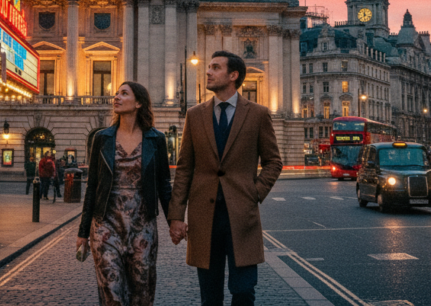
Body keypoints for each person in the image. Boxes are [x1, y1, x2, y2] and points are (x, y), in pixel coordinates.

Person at [169, 51, 283, 306]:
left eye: (215, 67)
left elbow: (273, 161)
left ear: (233, 75)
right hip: (204, 216)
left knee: (243, 289)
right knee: (210, 295)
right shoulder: (195, 115)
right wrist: (176, 216)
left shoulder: (257, 114)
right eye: (208, 67)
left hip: (242, 215)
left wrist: (255, 193)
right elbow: (185, 168)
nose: (208, 72)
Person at [77, 81, 171, 306]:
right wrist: (83, 231)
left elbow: (164, 185)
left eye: (124, 94)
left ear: (139, 103)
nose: (116, 97)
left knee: (141, 292)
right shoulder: (102, 138)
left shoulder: (156, 139)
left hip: (142, 225)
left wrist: (174, 221)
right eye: (116, 93)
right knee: (112, 293)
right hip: (105, 226)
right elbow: (92, 186)